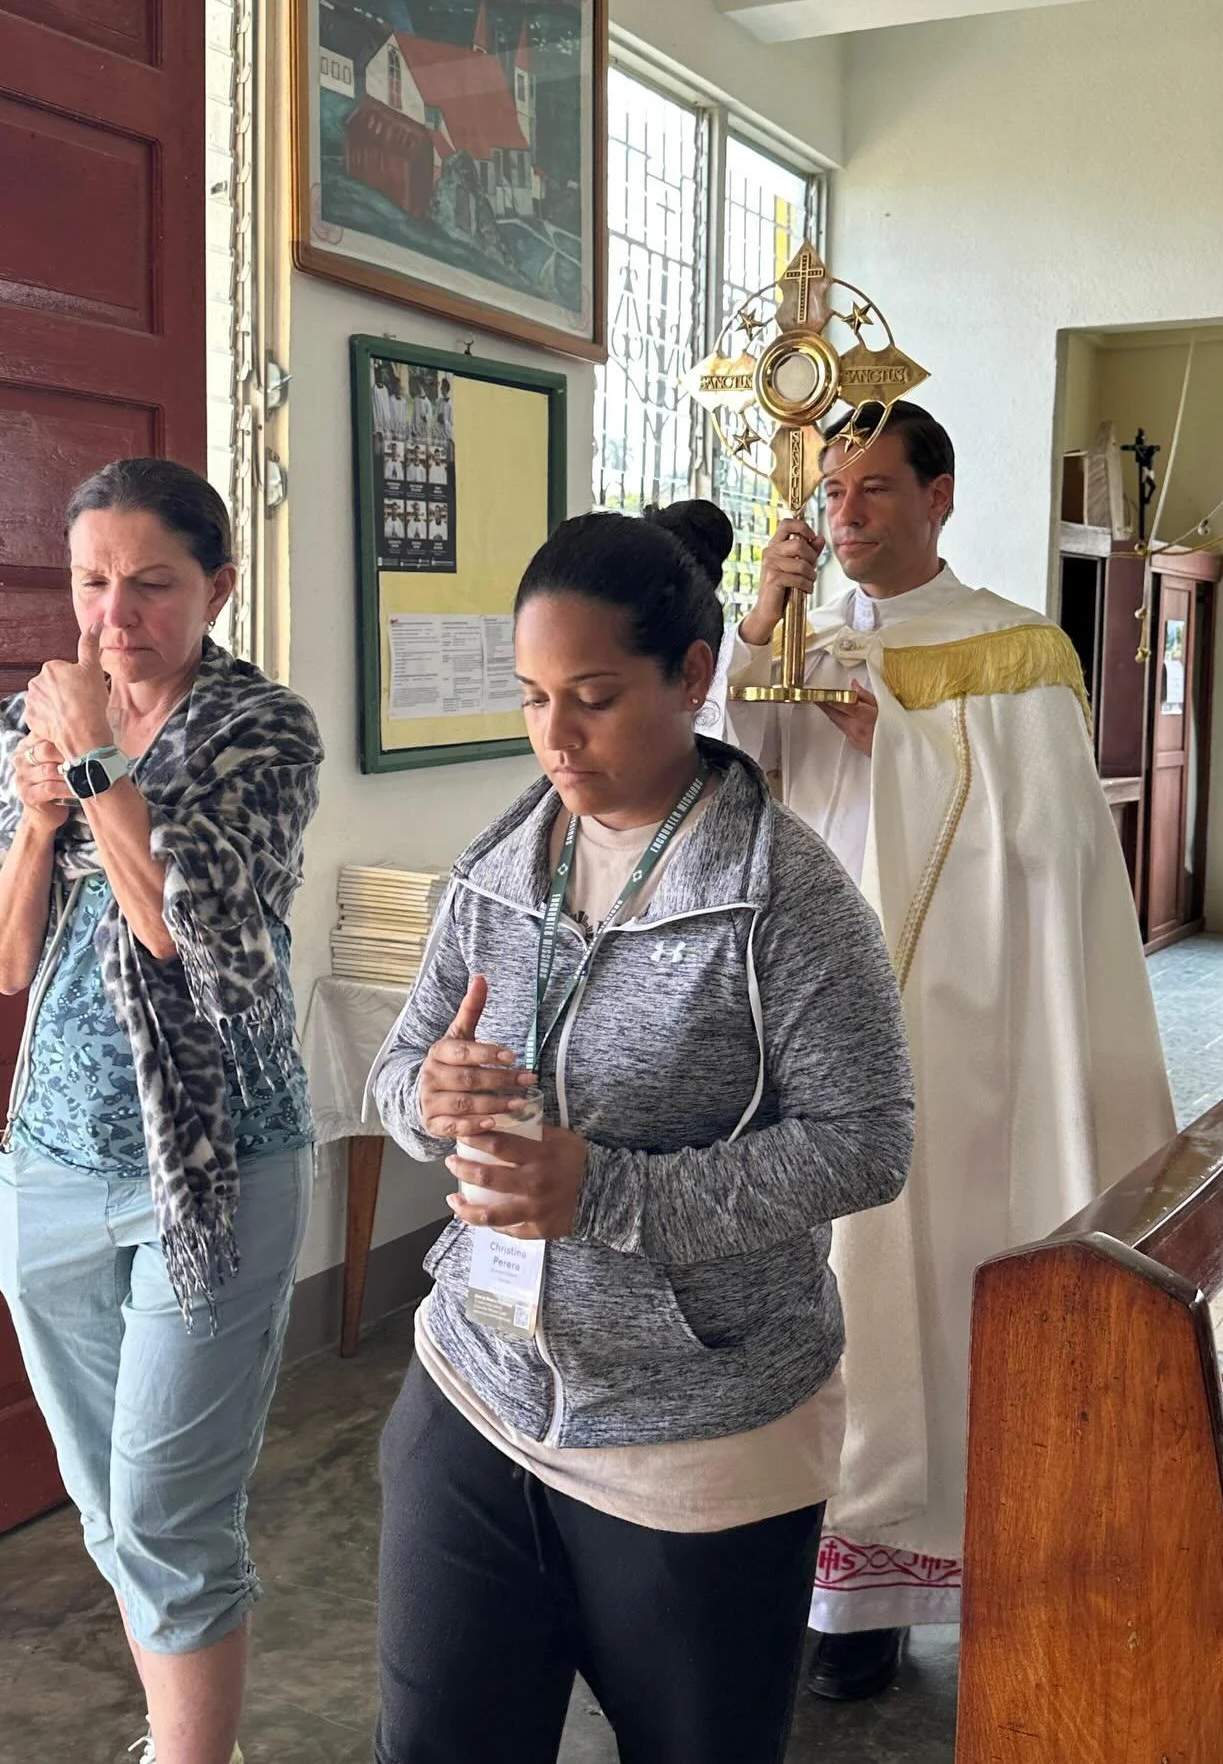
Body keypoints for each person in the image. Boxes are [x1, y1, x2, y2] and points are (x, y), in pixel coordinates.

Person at [369, 501, 915, 1764]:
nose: (555, 740)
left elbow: (867, 1141)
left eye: (594, 697)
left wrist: (605, 1194)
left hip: (699, 1432)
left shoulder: (784, 894)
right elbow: (401, 1064)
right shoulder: (500, 863)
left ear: (692, 675)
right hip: (477, 1384)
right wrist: (427, 1093)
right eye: (530, 697)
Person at [716, 400, 1175, 1701]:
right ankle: (838, 1591)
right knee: (828, 1296)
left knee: (939, 1280)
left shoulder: (1015, 647)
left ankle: (968, 1563)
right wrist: (763, 626)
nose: (846, 515)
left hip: (973, 1033)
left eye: (871, 489)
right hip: (807, 1017)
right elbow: (729, 778)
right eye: (830, 492)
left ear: (943, 495)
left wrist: (898, 738)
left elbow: (1053, 855)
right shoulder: (807, 630)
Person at [0, 459, 324, 1764]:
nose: (115, 615)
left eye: (150, 584)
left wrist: (90, 762)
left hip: (216, 1168)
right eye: (91, 583)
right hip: (52, 1160)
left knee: (168, 1508)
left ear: (218, 586)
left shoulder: (263, 728)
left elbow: (183, 929)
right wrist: (33, 817)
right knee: (108, 1504)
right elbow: (12, 955)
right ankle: (181, 1737)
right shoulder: (31, 716)